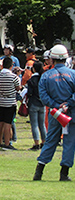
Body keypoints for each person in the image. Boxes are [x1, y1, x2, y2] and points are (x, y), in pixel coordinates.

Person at [33, 44, 75, 182]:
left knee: (50, 140)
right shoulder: (73, 74)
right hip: (71, 114)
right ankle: (64, 173)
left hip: (54, 114)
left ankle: (39, 171)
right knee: (69, 142)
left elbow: (43, 97)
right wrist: (67, 104)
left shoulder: (46, 76)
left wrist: (57, 107)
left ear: (52, 58)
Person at [0, 57, 21, 151]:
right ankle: (7, 143)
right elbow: (18, 88)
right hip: (10, 101)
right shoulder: (14, 77)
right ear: (11, 66)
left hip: (0, 101)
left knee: (0, 122)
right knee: (8, 123)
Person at [25, 61, 46, 151]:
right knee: (42, 124)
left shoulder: (31, 80)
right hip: (42, 103)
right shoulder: (43, 79)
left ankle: (36, 143)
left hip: (33, 103)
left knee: (34, 124)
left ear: (33, 69)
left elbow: (29, 93)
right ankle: (44, 142)